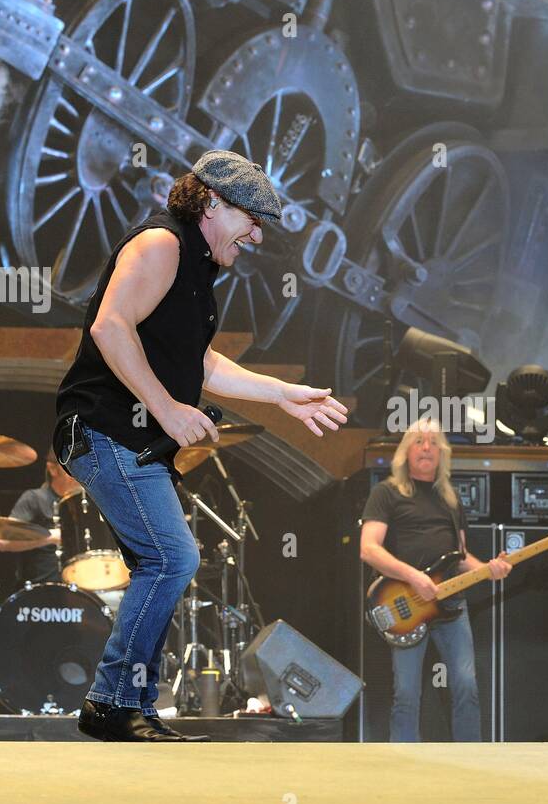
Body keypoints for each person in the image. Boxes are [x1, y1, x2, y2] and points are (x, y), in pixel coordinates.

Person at [54, 150, 348, 742]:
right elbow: (109, 326)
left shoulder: (195, 265)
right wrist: (166, 408)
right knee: (175, 558)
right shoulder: (162, 244)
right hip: (102, 428)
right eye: (252, 220)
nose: (258, 235)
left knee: (159, 564)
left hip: (130, 438)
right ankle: (111, 704)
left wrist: (282, 394)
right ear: (212, 203)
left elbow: (203, 363)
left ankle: (130, 706)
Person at [360, 419, 513, 741]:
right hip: (406, 606)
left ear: (442, 453)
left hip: (452, 607)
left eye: (433, 442)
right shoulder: (386, 493)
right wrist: (413, 577)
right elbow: (369, 549)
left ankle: (472, 764)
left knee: (466, 686)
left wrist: (488, 569)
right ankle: (404, 766)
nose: (426, 447)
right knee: (405, 693)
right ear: (406, 452)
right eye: (418, 441)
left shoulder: (450, 499)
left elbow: (460, 557)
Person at [0, 447, 77, 586]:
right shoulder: (34, 499)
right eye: (72, 467)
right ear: (53, 469)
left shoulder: (87, 503)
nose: (79, 474)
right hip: (41, 591)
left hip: (85, 587)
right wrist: (52, 537)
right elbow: (2, 542)